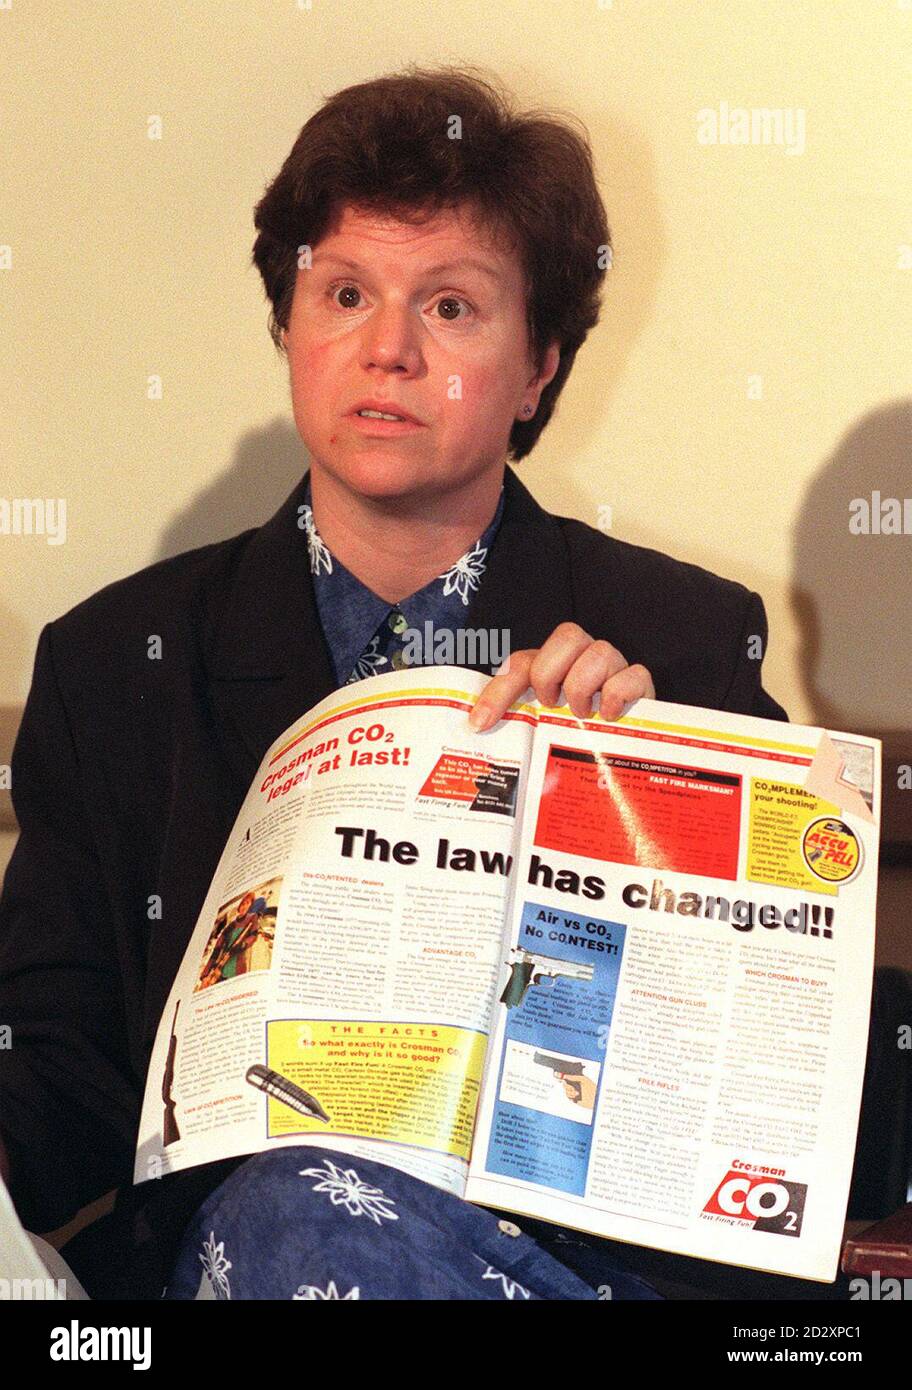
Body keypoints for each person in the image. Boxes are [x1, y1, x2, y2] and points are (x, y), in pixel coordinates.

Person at [0, 64, 787, 1299]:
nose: (387, 351)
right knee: (288, 1219)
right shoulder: (116, 661)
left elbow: (753, 1065)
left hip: (564, 1263)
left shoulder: (675, 641)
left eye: (454, 308)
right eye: (346, 292)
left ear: (541, 366)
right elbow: (57, 1076)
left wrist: (653, 784)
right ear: (288, 325)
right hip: (237, 1253)